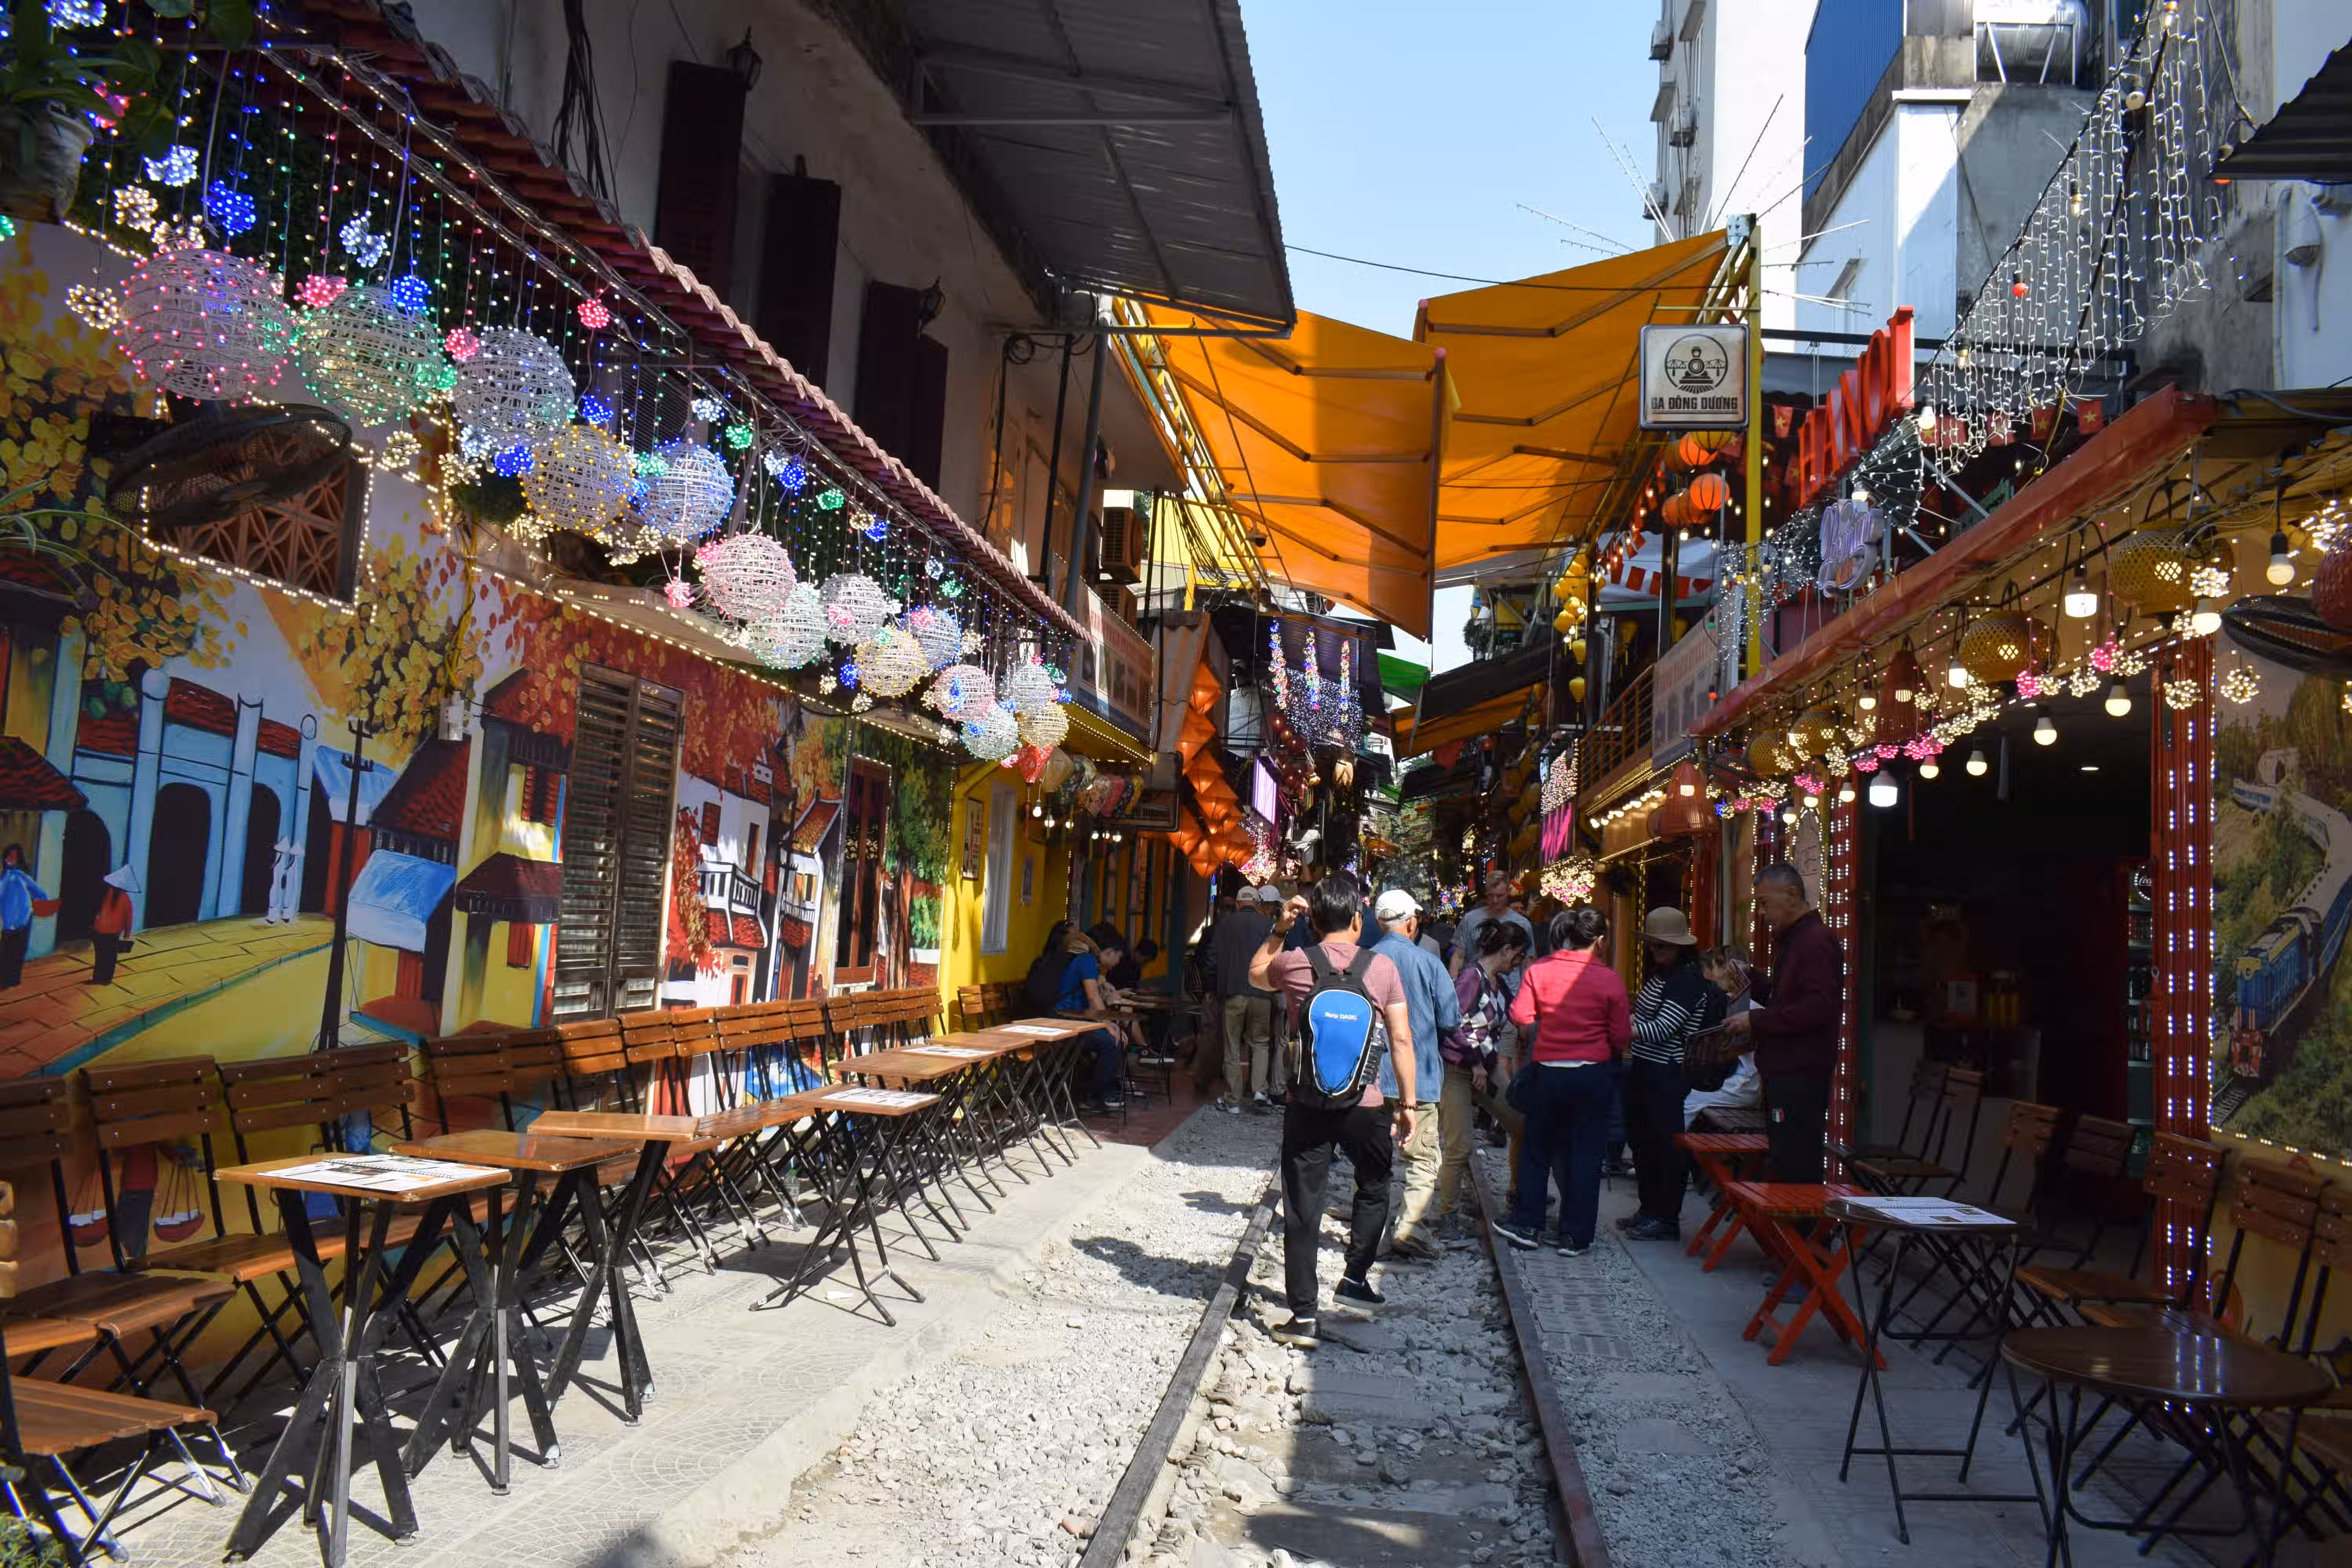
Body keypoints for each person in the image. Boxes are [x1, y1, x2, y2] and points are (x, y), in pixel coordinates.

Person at [1249, 874, 1416, 1348]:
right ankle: (1357, 1280)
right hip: (1366, 1103)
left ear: (1314, 922)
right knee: (1376, 1183)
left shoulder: (1294, 962)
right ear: (1359, 921)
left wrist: (1281, 929)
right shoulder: (1382, 968)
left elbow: (1253, 974)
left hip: (1307, 1103)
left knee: (1304, 1206)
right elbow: (1401, 1039)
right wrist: (1407, 1103)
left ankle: (1302, 1316)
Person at [1493, 907, 1630, 1257]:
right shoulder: (1610, 978)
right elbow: (1621, 1035)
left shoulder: (1540, 970)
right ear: (1599, 941)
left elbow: (1521, 1015)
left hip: (1549, 1071)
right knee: (1585, 1155)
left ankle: (1528, 1224)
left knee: (1537, 1149)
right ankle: (1575, 1236)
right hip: (1592, 1076)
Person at [1723, 865, 1844, 1182]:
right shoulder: (1797, 940)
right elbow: (1789, 999)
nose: (1762, 913)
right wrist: (1755, 981)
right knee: (1785, 1157)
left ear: (1791, 895)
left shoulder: (1815, 941)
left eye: (1765, 903)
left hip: (1800, 1073)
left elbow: (1818, 1008)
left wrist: (1755, 1018)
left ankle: (1801, 1230)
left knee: (1795, 1162)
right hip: (1786, 1071)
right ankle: (1793, 1230)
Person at [1367, 889, 1459, 1262]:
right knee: (1421, 1158)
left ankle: (1369, 1227)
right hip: (1417, 1076)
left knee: (1373, 1156)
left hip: (1369, 1077)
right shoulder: (1429, 963)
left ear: (1377, 923)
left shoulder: (1364, 961)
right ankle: (1409, 1228)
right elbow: (1450, 1020)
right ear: (1411, 922)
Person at [1619, 907, 1713, 1241]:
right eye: (1654, 945)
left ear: (1680, 948)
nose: (1657, 951)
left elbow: (1663, 1028)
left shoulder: (1686, 981)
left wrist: (1624, 1028)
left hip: (1667, 1073)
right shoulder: (1663, 977)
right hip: (1648, 1068)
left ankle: (1665, 1217)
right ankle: (1650, 1210)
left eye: (1664, 946)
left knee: (1664, 1145)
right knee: (1644, 1143)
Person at [1435, 917, 1529, 1230]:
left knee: (1522, 1125)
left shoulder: (1498, 984)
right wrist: (1475, 1061)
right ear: (1506, 950)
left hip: (1485, 1068)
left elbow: (1517, 1014)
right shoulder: (1471, 978)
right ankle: (1447, 1215)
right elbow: (1453, 1023)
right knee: (1459, 1146)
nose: (1518, 964)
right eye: (1518, 957)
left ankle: (1520, 1194)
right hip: (1459, 1070)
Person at [1212, 886, 1276, 1113]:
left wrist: (1215, 989)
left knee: (1232, 1047)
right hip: (1262, 994)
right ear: (1257, 903)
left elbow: (1212, 959)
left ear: (1239, 903)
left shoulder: (1226, 924)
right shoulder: (1268, 925)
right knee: (1260, 1043)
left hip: (1233, 993)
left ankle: (1233, 1101)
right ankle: (1259, 1090)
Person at [1685, 946, 1762, 1125]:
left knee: (1685, 1105)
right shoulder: (1746, 1005)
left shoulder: (1738, 1006)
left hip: (1739, 1084)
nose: (1712, 975)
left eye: (1714, 968)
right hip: (1739, 1081)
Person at [1055, 929, 1129, 1113]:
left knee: (1113, 1038)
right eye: (1118, 957)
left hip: (1076, 1019)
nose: (1119, 963)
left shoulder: (1088, 963)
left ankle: (1102, 1087)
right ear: (1110, 952)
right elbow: (1094, 998)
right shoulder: (1087, 961)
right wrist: (1109, 1026)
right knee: (1111, 1042)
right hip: (1066, 1022)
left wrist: (1109, 1025)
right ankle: (1094, 1097)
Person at [1450, 871, 1535, 982]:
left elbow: (1527, 962)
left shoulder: (1522, 923)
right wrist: (1454, 987)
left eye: (1500, 896)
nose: (1495, 900)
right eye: (1491, 895)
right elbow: (1458, 957)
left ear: (1508, 892)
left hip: (1511, 992)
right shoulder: (1470, 919)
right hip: (1475, 988)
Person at [0, 845, 51, 991]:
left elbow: (41, 894)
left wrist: (33, 907)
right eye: (10, 855)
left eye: (15, 856)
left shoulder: (23, 876)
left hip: (24, 920)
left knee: (18, 951)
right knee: (6, 952)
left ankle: (14, 980)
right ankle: (4, 980)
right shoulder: (4, 877)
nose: (12, 859)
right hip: (8, 922)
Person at [89, 866, 138, 987]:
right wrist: (127, 936)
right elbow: (129, 919)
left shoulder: (105, 894)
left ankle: (98, 978)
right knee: (110, 957)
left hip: (99, 930)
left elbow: (95, 910)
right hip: (113, 933)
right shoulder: (125, 898)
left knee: (100, 956)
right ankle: (106, 979)